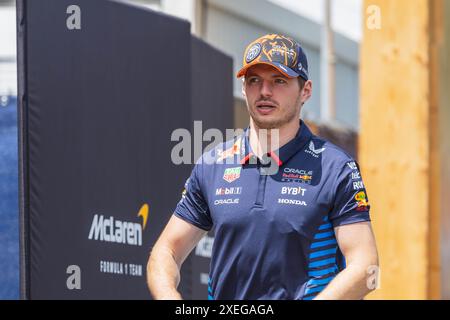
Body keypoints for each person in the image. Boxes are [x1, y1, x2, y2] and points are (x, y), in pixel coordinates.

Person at [147, 33, 379, 300]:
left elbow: (367, 268)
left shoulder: (335, 167)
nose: (264, 91)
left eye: (279, 81)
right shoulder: (213, 164)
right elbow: (166, 251)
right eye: (254, 80)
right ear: (244, 89)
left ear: (306, 91)